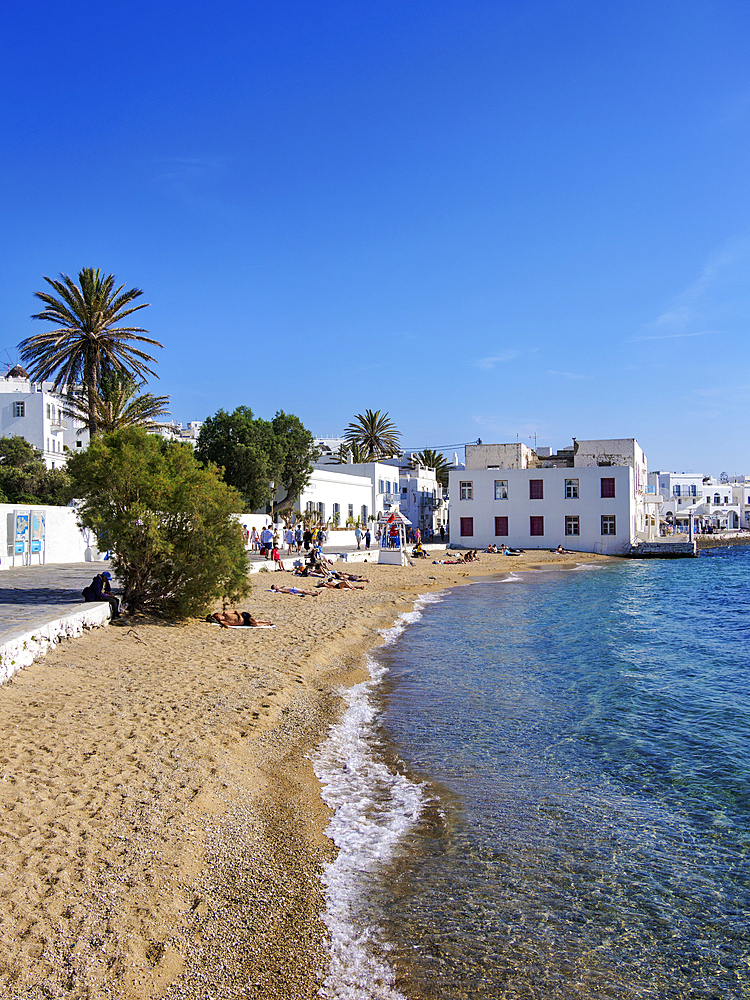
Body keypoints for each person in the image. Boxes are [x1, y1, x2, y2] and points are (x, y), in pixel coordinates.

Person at [208, 611, 275, 627]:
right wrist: (218, 622)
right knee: (256, 625)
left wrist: (240, 616)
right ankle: (267, 624)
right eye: (217, 618)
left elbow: (235, 611)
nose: (218, 618)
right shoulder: (224, 622)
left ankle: (265, 621)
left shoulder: (225, 613)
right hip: (243, 623)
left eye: (217, 616)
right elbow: (226, 626)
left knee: (254, 620)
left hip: (243, 616)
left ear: (219, 614)